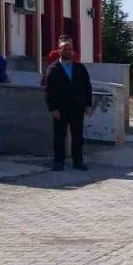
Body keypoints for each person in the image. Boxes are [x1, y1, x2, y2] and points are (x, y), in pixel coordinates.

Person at [43, 38, 93, 171]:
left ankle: (78, 161)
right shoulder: (53, 69)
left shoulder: (79, 68)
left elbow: (87, 87)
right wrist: (52, 108)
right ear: (59, 51)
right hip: (60, 109)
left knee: (77, 136)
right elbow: (49, 90)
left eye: (70, 49)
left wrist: (88, 104)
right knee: (59, 136)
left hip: (77, 108)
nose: (68, 51)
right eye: (65, 48)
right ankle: (59, 162)